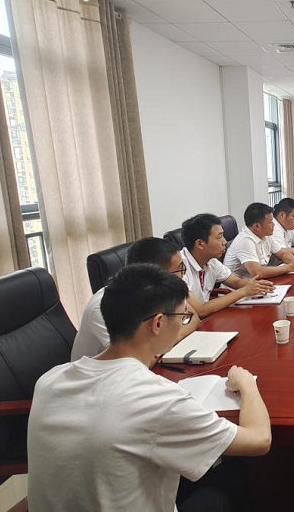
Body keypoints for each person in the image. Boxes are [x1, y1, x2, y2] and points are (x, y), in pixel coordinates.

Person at [28, 264, 272, 512]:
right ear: (158, 323)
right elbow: (260, 440)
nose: (183, 324)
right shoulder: (159, 399)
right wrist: (246, 383)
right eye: (182, 317)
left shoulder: (49, 380)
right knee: (234, 471)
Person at [71, 237, 199, 361]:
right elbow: (133, 359)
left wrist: (171, 339)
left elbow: (194, 316)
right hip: (104, 373)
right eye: (180, 269)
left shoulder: (161, 292)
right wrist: (169, 340)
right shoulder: (103, 306)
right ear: (157, 274)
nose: (183, 275)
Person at [180, 213, 276, 319]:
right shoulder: (178, 269)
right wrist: (244, 291)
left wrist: (256, 286)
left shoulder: (211, 261)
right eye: (219, 237)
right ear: (200, 244)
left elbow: (236, 282)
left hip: (207, 318)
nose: (225, 241)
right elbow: (201, 310)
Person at [223, 202, 294, 278]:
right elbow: (257, 272)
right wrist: (289, 267)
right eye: (270, 222)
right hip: (239, 286)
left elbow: (282, 253)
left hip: (256, 283)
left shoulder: (266, 235)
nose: (273, 225)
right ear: (257, 226)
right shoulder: (245, 241)